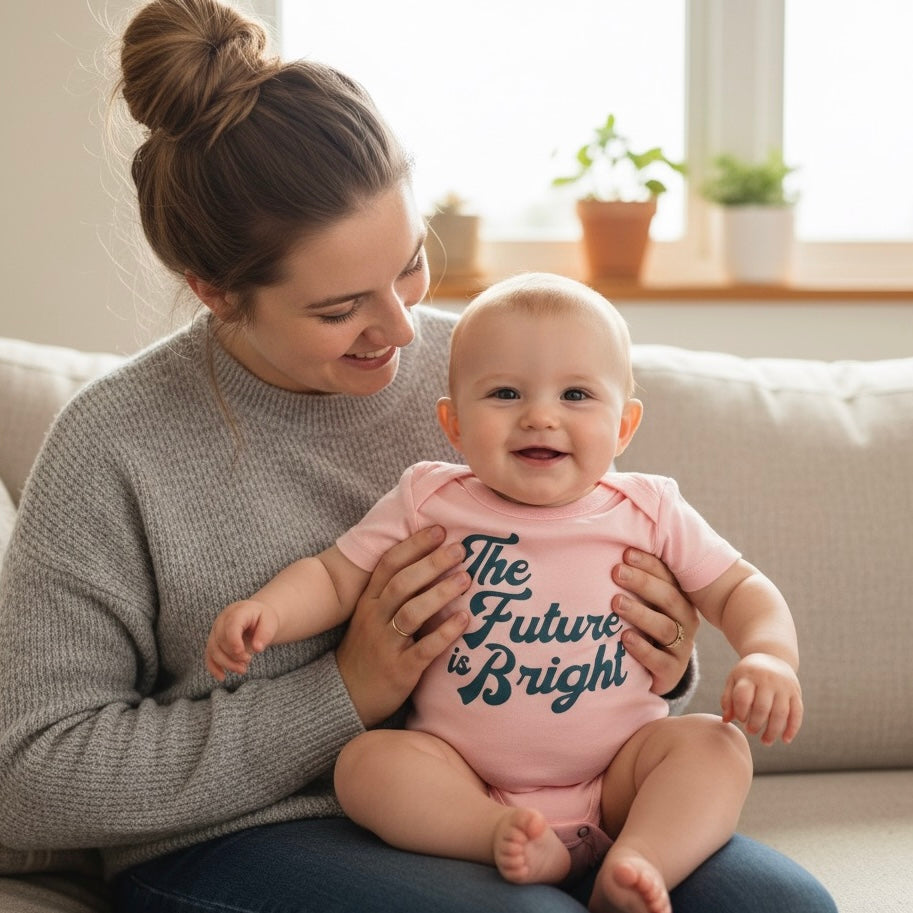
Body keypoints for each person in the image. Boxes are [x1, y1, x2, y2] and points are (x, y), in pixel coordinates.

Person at [0, 1, 836, 912]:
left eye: (409, 264)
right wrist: (343, 691)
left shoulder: (494, 369)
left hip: (553, 798)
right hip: (250, 834)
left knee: (779, 906)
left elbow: (610, 589)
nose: (402, 329)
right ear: (215, 291)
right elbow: (30, 775)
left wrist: (666, 659)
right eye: (339, 308)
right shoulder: (114, 446)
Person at [205, 273, 803, 913]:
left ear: (624, 426)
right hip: (465, 778)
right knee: (367, 764)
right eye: (505, 393)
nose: (540, 415)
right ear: (454, 424)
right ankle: (499, 837)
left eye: (575, 394)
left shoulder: (651, 508)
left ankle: (639, 860)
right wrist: (269, 610)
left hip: (621, 777)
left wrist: (768, 656)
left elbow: (738, 586)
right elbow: (333, 575)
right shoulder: (428, 498)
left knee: (715, 746)